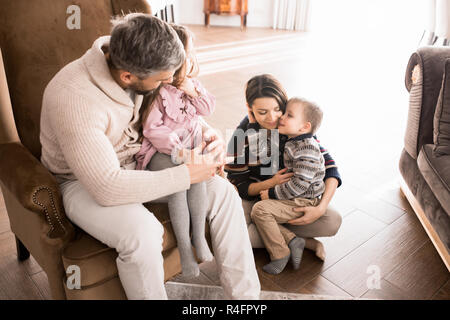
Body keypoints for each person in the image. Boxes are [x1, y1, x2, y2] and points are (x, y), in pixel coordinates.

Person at [40, 13, 260, 300]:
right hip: (83, 182)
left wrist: (208, 133)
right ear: (128, 77)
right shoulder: (74, 97)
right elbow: (106, 186)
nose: (171, 81)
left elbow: (171, 107)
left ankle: (245, 299)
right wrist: (186, 175)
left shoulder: (141, 60)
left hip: (144, 159)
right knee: (143, 234)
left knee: (224, 195)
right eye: (163, 79)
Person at [225, 74, 342, 264]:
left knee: (332, 220)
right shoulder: (241, 137)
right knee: (235, 233)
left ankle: (276, 234)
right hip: (256, 200)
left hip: (290, 201)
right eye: (262, 112)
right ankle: (300, 242)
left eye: (278, 109)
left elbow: (330, 168)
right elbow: (239, 185)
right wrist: (270, 185)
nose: (273, 118)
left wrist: (320, 209)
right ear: (250, 108)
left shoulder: (294, 126)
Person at [135, 24, 215, 278]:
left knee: (197, 178)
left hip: (188, 152)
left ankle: (198, 237)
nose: (193, 59)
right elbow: (151, 129)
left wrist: (192, 89)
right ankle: (184, 248)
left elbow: (208, 109)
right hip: (161, 154)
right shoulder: (159, 91)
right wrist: (179, 152)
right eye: (189, 53)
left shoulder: (191, 86)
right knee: (180, 183)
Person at [251, 97, 325, 274]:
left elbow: (299, 185)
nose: (281, 117)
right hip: (297, 197)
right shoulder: (295, 142)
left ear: (304, 127)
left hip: (304, 200)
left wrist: (272, 193)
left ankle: (279, 254)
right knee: (259, 211)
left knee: (260, 210)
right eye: (284, 112)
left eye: (289, 115)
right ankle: (293, 240)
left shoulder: (307, 148)